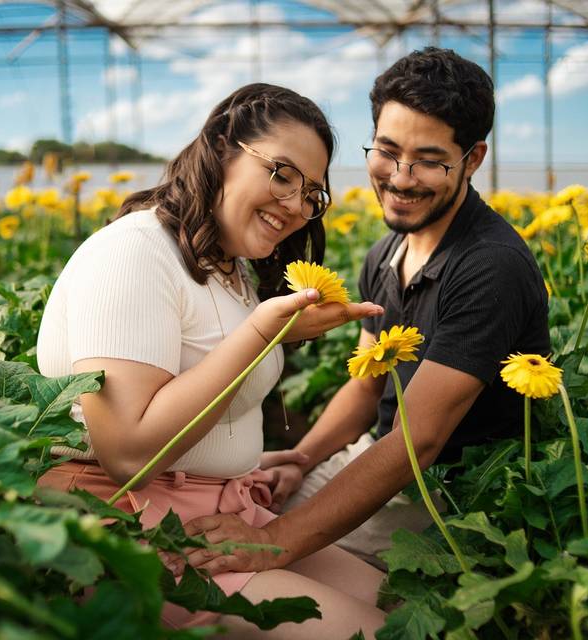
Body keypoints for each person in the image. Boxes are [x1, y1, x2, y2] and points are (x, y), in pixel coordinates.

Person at [35, 83, 387, 638]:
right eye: (282, 174)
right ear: (223, 145)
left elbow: (205, 409)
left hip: (216, 513)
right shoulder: (134, 252)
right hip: (128, 527)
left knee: (405, 608)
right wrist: (261, 334)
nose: (296, 205)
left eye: (311, 193)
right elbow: (126, 452)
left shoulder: (231, 266)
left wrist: (248, 461)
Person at [180, 48, 550, 574]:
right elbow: (365, 385)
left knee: (264, 558)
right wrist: (301, 460)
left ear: (472, 160)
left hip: (454, 501)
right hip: (379, 460)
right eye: (387, 150)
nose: (400, 178)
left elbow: (417, 442)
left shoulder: (490, 267)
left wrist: (278, 543)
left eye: (428, 159)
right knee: (259, 505)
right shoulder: (387, 254)